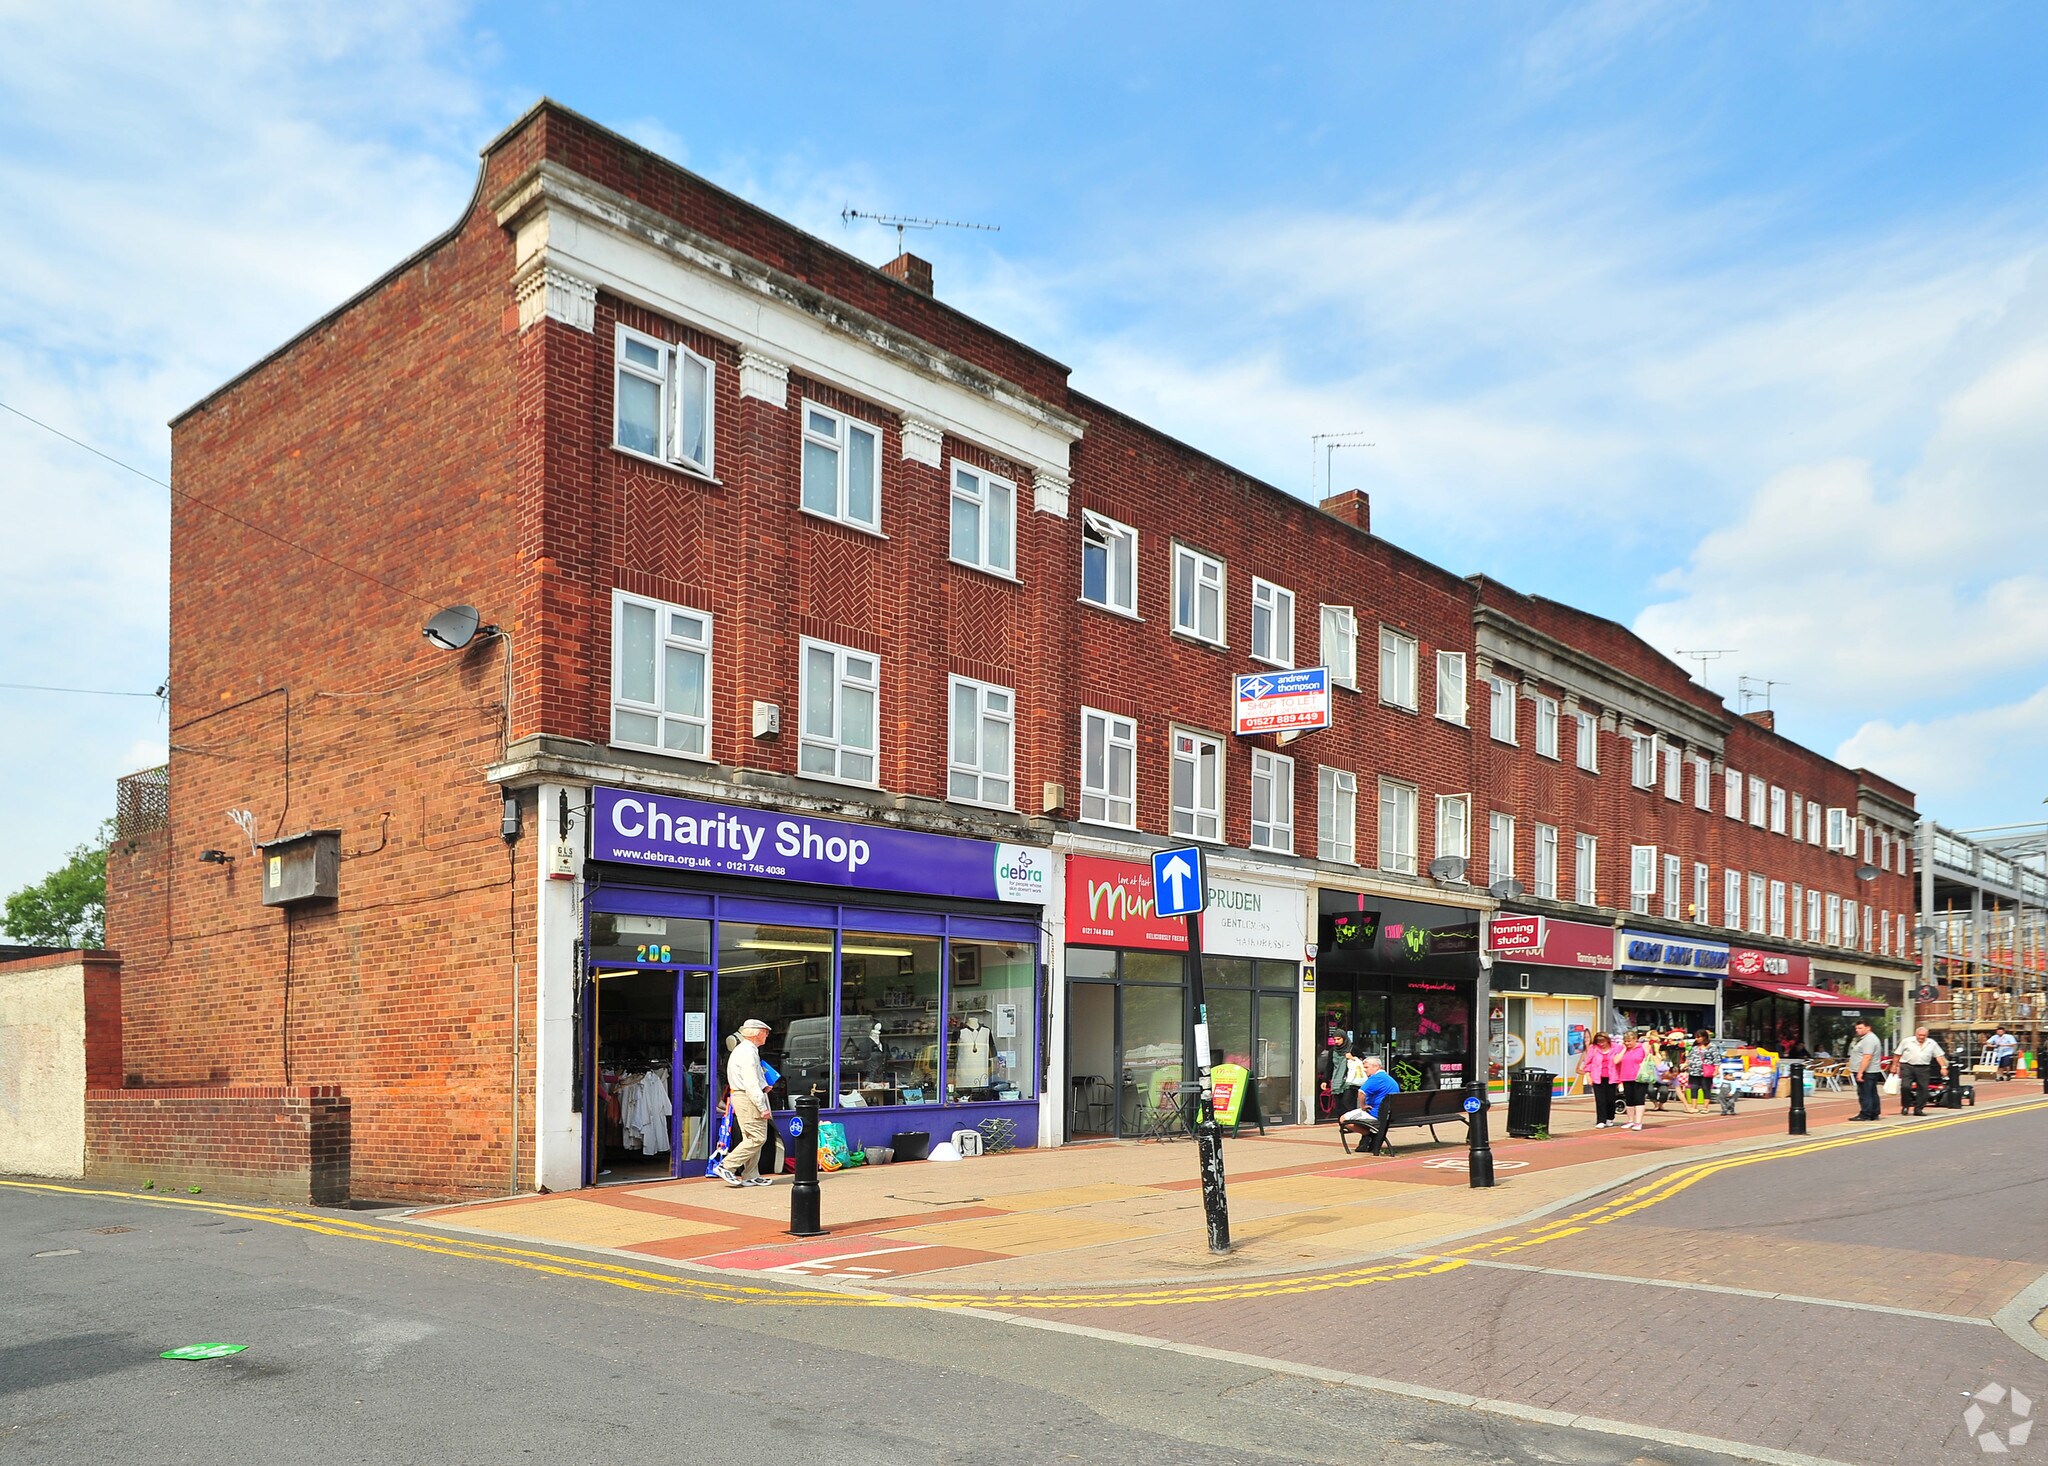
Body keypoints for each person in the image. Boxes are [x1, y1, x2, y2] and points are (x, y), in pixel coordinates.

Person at [715, 1018, 776, 1187]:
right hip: (747, 1097)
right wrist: (762, 1107)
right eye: (765, 1032)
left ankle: (750, 1174)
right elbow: (750, 1082)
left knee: (750, 1137)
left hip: (743, 1096)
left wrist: (764, 1086)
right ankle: (726, 1166)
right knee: (757, 1138)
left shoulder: (746, 1050)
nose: (767, 1035)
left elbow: (752, 1078)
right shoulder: (748, 1052)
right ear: (757, 1033)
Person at [1338, 1055, 1402, 1153]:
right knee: (1357, 1118)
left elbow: (1361, 1092)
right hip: (1389, 1114)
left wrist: (1363, 1106)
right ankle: (1367, 1139)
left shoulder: (1376, 1078)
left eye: (1367, 1067)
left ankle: (1368, 1135)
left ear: (1376, 1067)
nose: (1364, 1070)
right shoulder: (1388, 1078)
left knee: (1343, 1119)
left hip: (1376, 1113)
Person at [1895, 1026, 1945, 1116]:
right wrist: (1894, 1066)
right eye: (1920, 1035)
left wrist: (1943, 1067)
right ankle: (1906, 1105)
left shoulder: (1932, 1043)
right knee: (1905, 1087)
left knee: (1923, 1089)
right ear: (1916, 1034)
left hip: (1923, 1067)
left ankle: (1918, 1109)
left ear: (1927, 1035)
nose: (1921, 1037)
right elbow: (1897, 1054)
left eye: (1923, 1035)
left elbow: (1939, 1056)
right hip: (1907, 1066)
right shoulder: (1907, 1041)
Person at [1614, 1029, 1654, 1131]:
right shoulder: (1622, 1049)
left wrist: (1647, 1050)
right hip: (1626, 1077)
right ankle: (1630, 1120)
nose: (1627, 1043)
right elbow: (1616, 1061)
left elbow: (1649, 1059)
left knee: (1639, 1099)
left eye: (1629, 1041)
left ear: (1635, 1039)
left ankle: (1638, 1122)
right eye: (1625, 1041)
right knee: (1629, 1100)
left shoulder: (1642, 1048)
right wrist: (1624, 1049)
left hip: (1640, 1078)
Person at [1578, 1032, 1620, 1128]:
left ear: (1607, 1040)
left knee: (1610, 1099)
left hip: (1612, 1077)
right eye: (1599, 1042)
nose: (1601, 1044)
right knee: (1600, 1100)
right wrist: (1588, 1075)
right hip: (1598, 1077)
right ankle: (1601, 1120)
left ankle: (1610, 1117)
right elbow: (1588, 1063)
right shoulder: (1593, 1048)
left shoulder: (1616, 1047)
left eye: (1603, 1041)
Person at [1847, 1020, 1884, 1121]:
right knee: (1871, 1092)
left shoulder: (1869, 1040)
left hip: (1867, 1072)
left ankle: (1866, 1114)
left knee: (1865, 1093)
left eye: (1860, 1028)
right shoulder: (1866, 1039)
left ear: (1868, 1028)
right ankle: (1874, 1113)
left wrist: (1860, 1072)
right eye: (1856, 1028)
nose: (1857, 1030)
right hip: (1870, 1071)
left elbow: (1867, 1057)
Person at [1682, 1032, 1718, 1115]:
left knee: (1706, 1088)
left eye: (1699, 1037)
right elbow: (1689, 1057)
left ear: (1704, 1037)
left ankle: (1705, 1107)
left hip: (1706, 1071)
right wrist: (1686, 1064)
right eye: (1696, 1037)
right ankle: (1694, 1106)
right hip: (1693, 1071)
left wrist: (1716, 1070)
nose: (1697, 1039)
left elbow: (1717, 1059)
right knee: (1693, 1088)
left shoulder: (1712, 1047)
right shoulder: (1694, 1047)